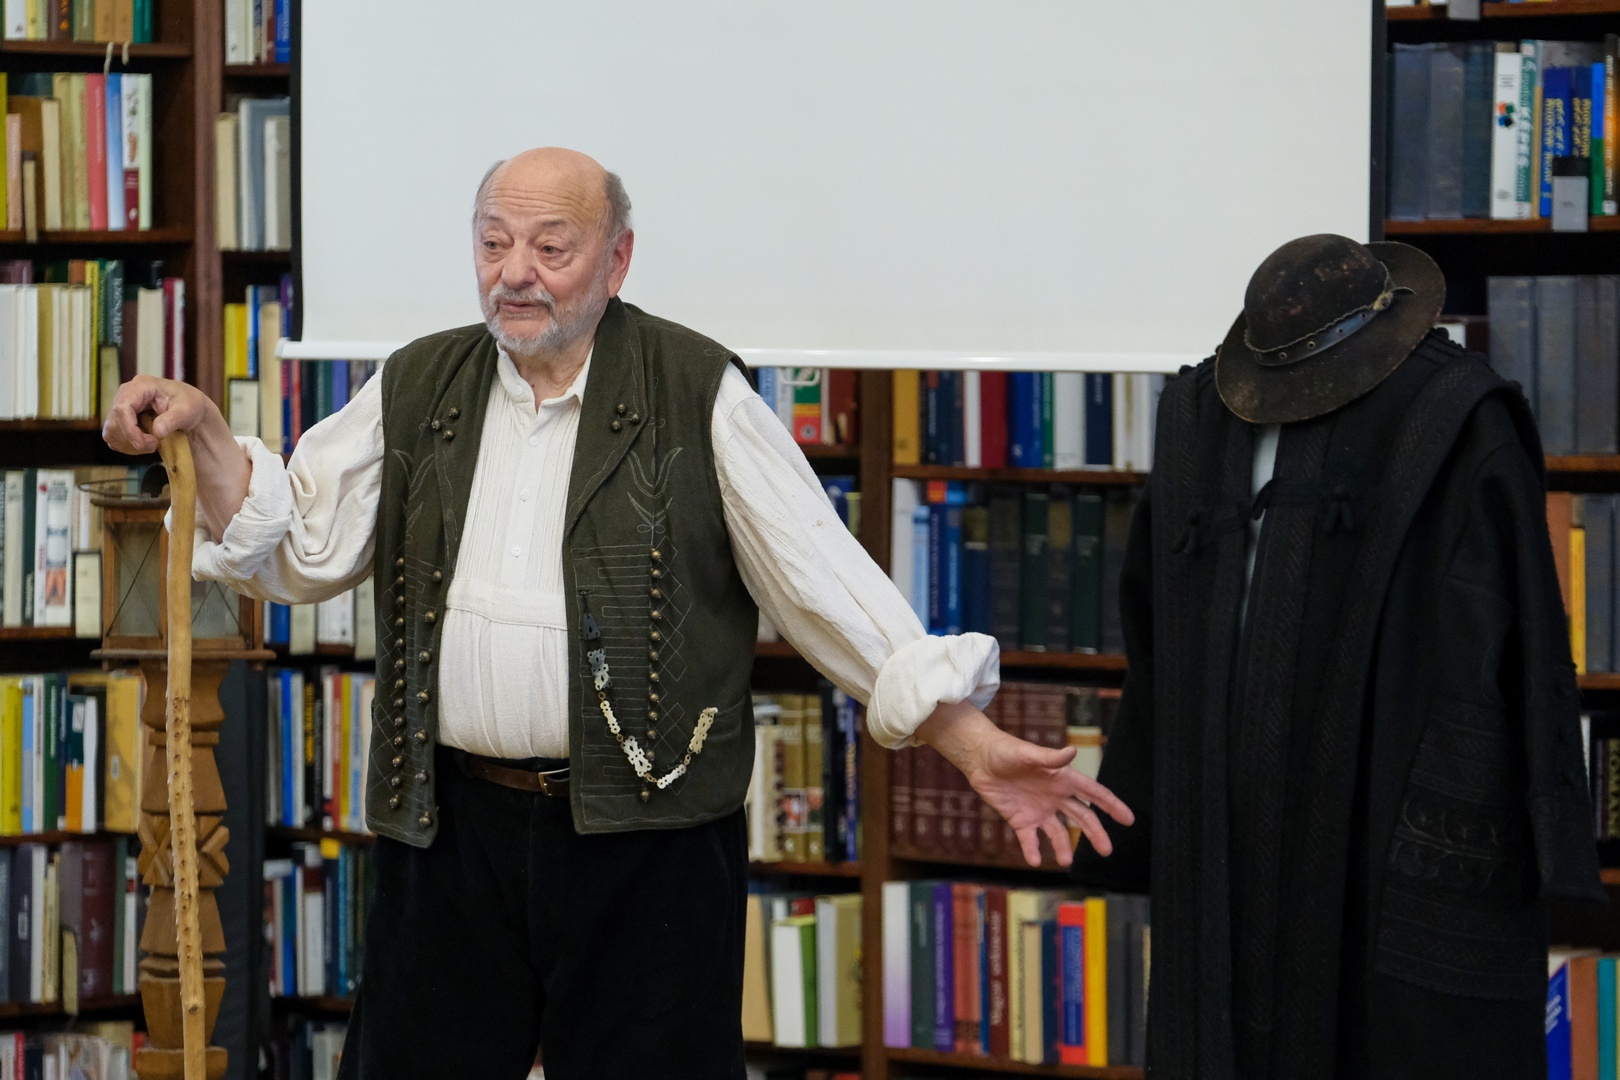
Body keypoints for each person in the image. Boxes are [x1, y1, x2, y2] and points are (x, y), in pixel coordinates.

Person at [103, 147, 1133, 1080]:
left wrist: (967, 739)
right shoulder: (419, 382)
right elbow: (302, 544)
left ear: (618, 260)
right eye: (494, 243)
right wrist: (208, 434)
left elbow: (823, 582)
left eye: (551, 247)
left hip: (647, 843)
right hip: (449, 832)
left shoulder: (696, 390)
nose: (516, 272)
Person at [1074, 234, 1604, 1080]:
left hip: (1392, 814)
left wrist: (1539, 831)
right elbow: (1154, 630)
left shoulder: (1457, 415)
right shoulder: (1195, 416)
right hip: (1215, 829)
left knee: (1385, 1029)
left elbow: (1522, 636)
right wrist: (1141, 810)